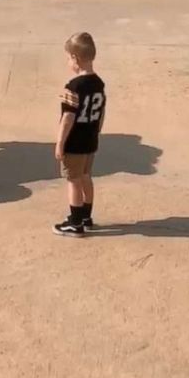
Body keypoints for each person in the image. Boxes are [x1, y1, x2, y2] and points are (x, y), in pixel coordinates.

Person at [54, 32, 106, 236]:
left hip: (74, 142)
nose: (68, 61)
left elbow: (68, 118)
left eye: (68, 57)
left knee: (73, 180)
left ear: (75, 59)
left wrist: (60, 143)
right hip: (90, 140)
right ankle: (86, 215)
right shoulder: (99, 83)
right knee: (86, 176)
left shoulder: (72, 87)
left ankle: (75, 223)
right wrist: (97, 131)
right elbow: (102, 111)